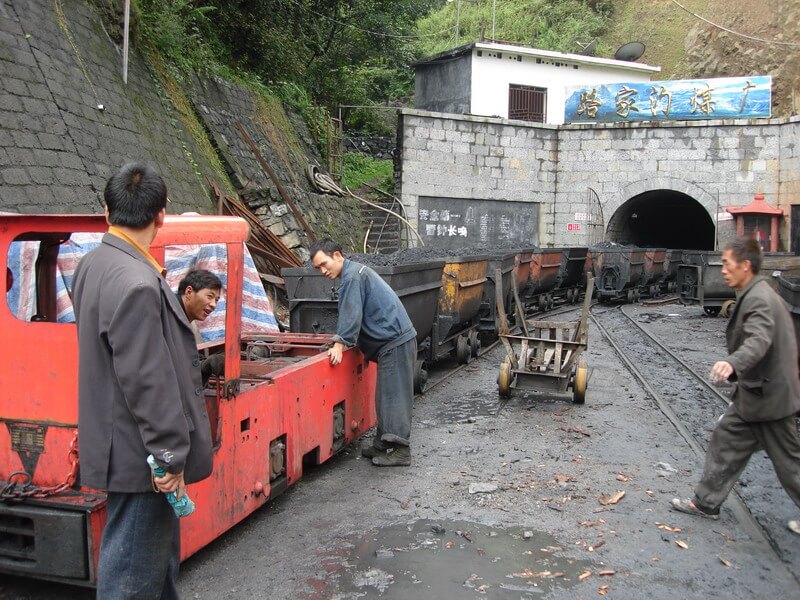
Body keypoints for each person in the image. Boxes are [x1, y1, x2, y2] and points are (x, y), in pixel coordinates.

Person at [72, 162, 213, 598]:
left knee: (156, 566)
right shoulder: (137, 282)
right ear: (161, 215)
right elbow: (145, 381)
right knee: (132, 576)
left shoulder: (93, 265)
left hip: (122, 444)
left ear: (106, 210)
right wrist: (169, 456)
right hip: (142, 459)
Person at [671, 237, 800, 535]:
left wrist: (733, 363)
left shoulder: (759, 300)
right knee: (726, 439)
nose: (724, 270)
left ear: (746, 266)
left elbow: (759, 340)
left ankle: (705, 502)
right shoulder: (757, 292)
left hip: (770, 399)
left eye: (728, 264)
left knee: (790, 464)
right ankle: (706, 503)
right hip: (756, 395)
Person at [310, 239, 417, 467]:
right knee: (385, 396)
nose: (322, 271)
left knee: (393, 398)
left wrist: (340, 343)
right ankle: (382, 444)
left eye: (324, 264)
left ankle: (401, 451)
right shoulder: (355, 272)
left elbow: (351, 314)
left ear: (337, 255)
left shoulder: (352, 277)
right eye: (318, 268)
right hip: (394, 341)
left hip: (395, 341)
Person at [176, 268, 225, 383]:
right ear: (189, 292)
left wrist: (203, 366)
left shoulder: (186, 322)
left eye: (216, 300)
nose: (213, 305)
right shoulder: (168, 316)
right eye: (209, 296)